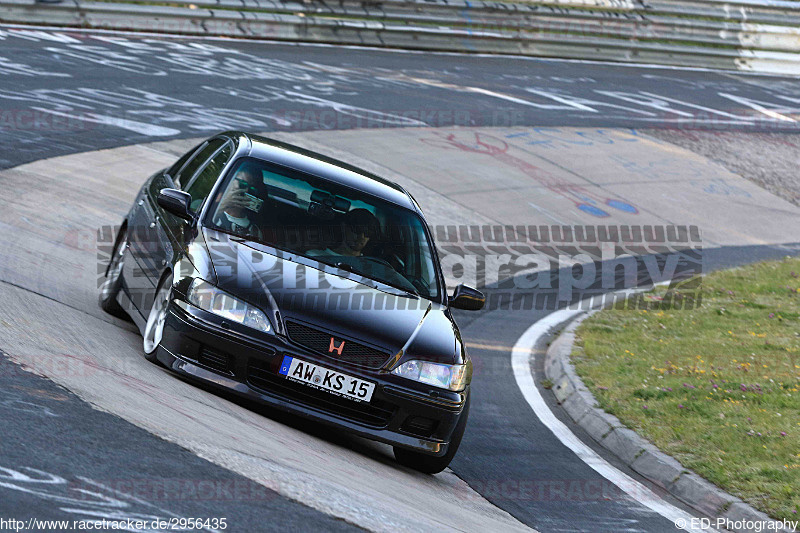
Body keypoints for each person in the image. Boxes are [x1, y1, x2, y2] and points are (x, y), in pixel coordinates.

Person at [213, 164, 264, 240]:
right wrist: (223, 205)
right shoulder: (209, 209)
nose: (246, 191)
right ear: (230, 181)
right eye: (242, 184)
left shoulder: (254, 231)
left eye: (252, 188)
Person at [307, 208, 380, 258]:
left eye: (367, 233)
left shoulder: (369, 267)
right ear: (344, 227)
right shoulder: (315, 256)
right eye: (357, 230)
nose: (362, 237)